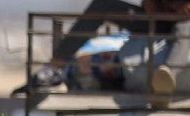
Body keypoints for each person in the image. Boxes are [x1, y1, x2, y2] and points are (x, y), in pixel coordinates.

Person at [33, 0, 190, 92]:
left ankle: (168, 77)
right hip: (160, 21)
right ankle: (54, 68)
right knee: (102, 5)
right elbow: (150, 9)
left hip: (184, 23)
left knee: (185, 27)